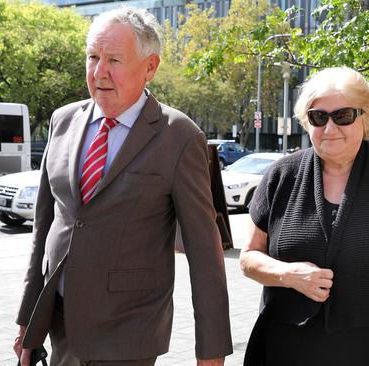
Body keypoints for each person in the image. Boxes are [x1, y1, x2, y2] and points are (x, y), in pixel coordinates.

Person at [13, 8, 232, 366]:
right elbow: (44, 229)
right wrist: (27, 319)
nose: (99, 72)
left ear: (150, 67)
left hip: (130, 333)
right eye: (93, 57)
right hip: (60, 326)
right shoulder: (63, 120)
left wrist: (211, 351)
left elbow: (205, 256)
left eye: (113, 60)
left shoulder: (179, 136)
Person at [239, 67, 369, 365]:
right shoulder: (281, 176)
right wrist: (289, 275)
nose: (329, 128)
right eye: (318, 117)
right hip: (289, 348)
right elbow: (249, 258)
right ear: (306, 121)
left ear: (365, 119)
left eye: (343, 116)